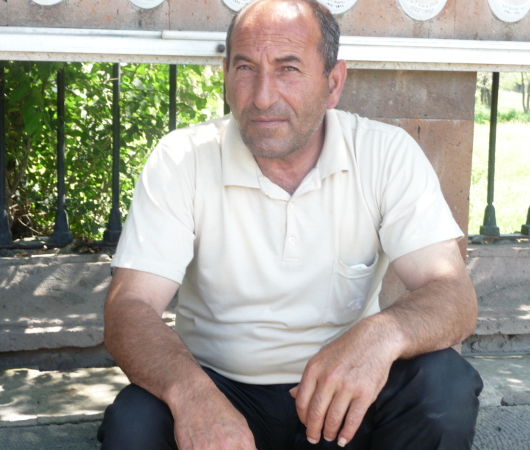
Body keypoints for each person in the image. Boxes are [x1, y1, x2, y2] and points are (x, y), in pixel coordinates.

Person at [97, 0, 483, 448]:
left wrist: (381, 336)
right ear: (225, 76)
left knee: (444, 386)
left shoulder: (385, 154)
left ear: (333, 83)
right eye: (246, 68)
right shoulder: (183, 159)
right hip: (217, 388)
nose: (263, 96)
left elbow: (454, 295)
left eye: (288, 69)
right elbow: (129, 307)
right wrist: (191, 394)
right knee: (134, 424)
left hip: (344, 393)